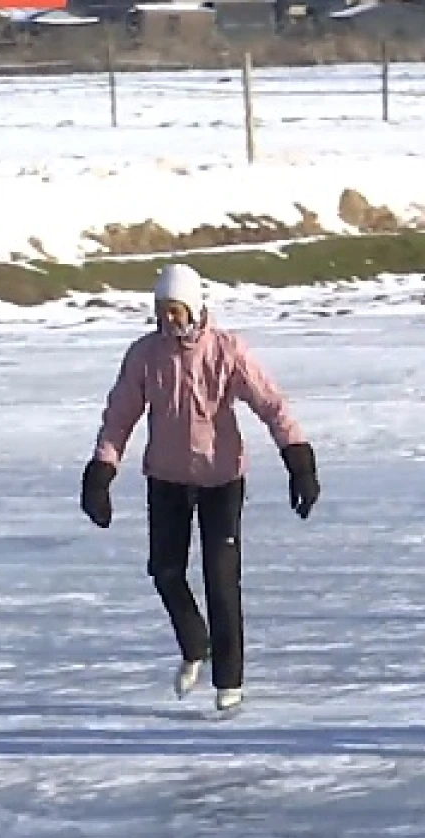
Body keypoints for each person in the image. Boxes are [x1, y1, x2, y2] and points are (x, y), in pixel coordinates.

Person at [79, 263, 320, 714]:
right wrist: (102, 469)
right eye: (162, 312)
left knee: (220, 578)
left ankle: (229, 681)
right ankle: (195, 644)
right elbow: (120, 415)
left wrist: (298, 459)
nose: (170, 321)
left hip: (220, 480)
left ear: (195, 308)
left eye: (177, 311)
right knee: (165, 570)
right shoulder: (146, 355)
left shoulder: (226, 351)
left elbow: (271, 403)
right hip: (166, 478)